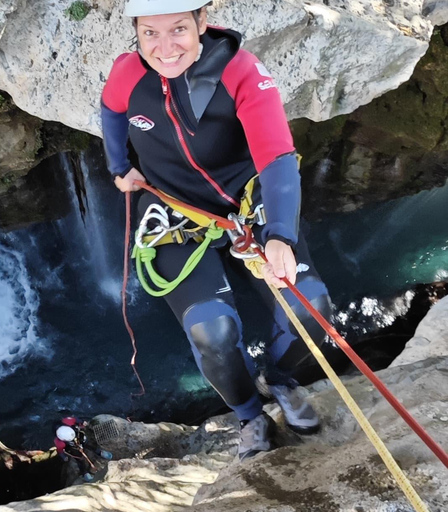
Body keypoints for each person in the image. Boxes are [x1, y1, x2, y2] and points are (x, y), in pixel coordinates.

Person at [100, 0, 333, 460]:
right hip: (173, 206)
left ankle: (280, 381)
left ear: (202, 23)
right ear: (137, 32)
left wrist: (280, 234)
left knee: (311, 307)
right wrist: (119, 165)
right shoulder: (128, 72)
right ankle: (249, 415)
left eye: (179, 29)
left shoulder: (241, 71)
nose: (164, 48)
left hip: (245, 199)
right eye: (150, 33)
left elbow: (277, 156)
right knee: (213, 332)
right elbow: (111, 110)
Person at [54, 417, 112, 481]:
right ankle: (85, 473)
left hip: (80, 438)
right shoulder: (59, 442)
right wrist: (64, 457)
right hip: (72, 447)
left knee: (90, 445)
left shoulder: (67, 421)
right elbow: (60, 451)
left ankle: (100, 452)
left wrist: (82, 422)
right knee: (79, 459)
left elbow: (75, 419)